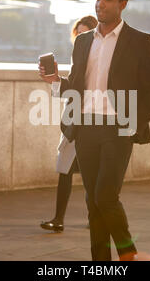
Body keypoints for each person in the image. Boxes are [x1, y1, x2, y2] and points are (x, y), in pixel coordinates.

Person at [38, 0, 150, 261]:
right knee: (92, 203)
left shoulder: (140, 41)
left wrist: (132, 123)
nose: (100, 3)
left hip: (117, 129)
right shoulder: (83, 41)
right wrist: (56, 81)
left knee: (105, 197)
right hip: (85, 129)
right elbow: (78, 87)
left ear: (122, 4)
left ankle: (128, 254)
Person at [40, 15, 98, 233]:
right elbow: (71, 90)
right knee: (64, 172)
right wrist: (55, 80)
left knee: (92, 176)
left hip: (92, 122)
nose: (80, 38)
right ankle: (58, 219)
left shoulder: (98, 61)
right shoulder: (78, 58)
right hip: (73, 123)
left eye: (85, 34)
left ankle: (95, 219)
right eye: (78, 34)